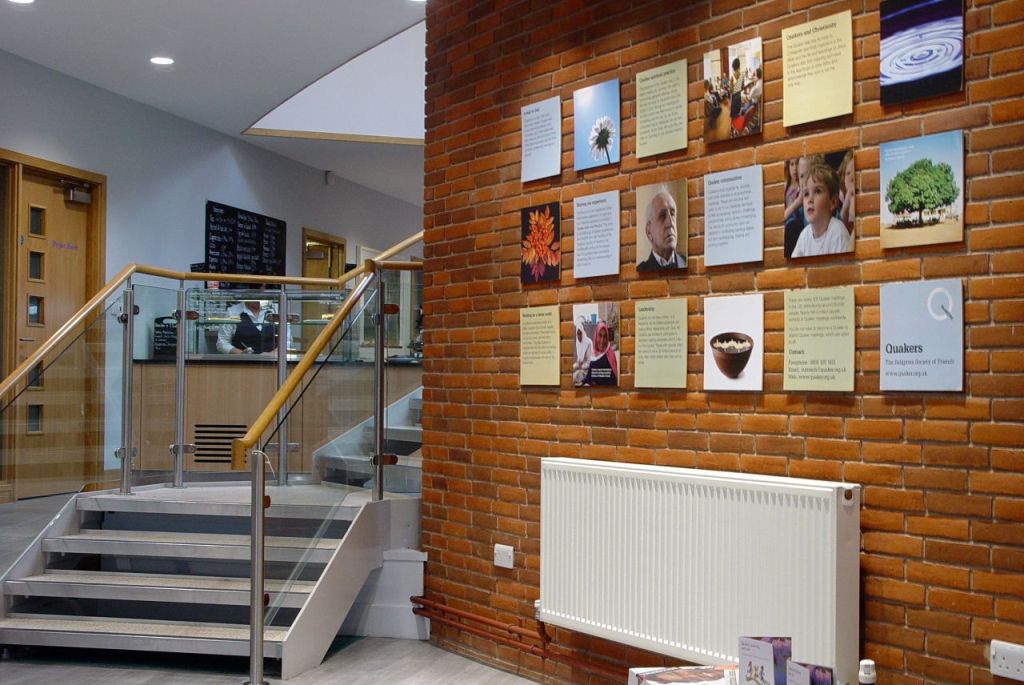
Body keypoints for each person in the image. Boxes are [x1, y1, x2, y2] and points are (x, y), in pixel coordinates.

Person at [791, 163, 851, 258]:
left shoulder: (838, 231)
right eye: (806, 194)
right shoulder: (804, 235)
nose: (810, 199)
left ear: (833, 202)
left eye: (817, 191)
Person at [216, 290, 280, 354]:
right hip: (242, 362)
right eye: (254, 296)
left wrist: (272, 354)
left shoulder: (276, 309)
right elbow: (222, 343)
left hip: (274, 362)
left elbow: (288, 341)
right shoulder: (232, 312)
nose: (258, 300)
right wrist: (241, 354)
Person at [637, 188, 686, 272]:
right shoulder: (642, 270)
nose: (670, 223)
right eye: (662, 215)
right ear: (649, 232)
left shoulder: (686, 261)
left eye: (673, 214)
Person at [583, 321, 618, 386]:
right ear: (596, 337)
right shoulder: (593, 355)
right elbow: (588, 377)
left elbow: (613, 382)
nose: (602, 340)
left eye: (604, 336)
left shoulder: (610, 355)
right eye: (600, 336)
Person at [837, 149, 855, 233]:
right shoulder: (840, 199)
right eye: (848, 173)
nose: (851, 178)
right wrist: (848, 197)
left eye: (855, 172)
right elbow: (841, 225)